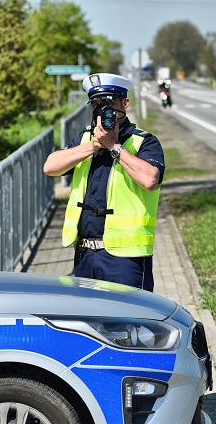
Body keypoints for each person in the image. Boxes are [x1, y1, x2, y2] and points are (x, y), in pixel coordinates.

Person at [43, 73, 165, 292]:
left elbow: (149, 179)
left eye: (108, 103)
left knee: (126, 323)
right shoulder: (85, 140)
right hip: (85, 255)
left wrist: (114, 146)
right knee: (87, 323)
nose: (101, 110)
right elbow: (50, 167)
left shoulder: (143, 142)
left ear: (125, 104)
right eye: (96, 104)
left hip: (126, 259)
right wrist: (93, 146)